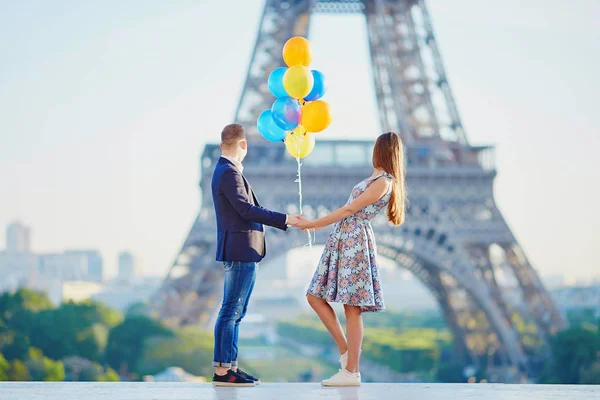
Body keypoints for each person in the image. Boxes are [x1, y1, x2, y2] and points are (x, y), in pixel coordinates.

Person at [296, 132, 407, 386]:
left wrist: (313, 224)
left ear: (380, 151)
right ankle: (347, 353)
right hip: (343, 240)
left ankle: (351, 372)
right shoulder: (376, 178)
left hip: (354, 242)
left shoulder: (384, 182)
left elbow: (349, 210)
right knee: (314, 296)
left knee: (352, 308)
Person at [211, 123, 300, 387]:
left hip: (241, 249)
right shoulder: (228, 172)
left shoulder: (226, 170)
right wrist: (286, 219)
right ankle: (223, 371)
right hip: (241, 250)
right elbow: (246, 210)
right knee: (231, 311)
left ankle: (230, 366)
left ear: (221, 145)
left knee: (236, 311)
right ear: (244, 145)